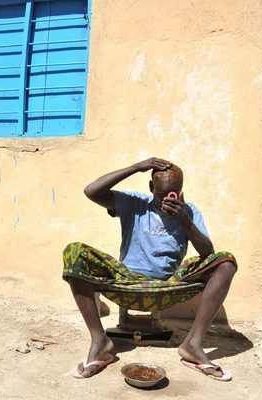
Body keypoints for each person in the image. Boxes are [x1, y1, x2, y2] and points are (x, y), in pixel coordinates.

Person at [62, 157, 237, 381]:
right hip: (125, 283)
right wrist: (136, 168)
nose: (167, 198)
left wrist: (183, 220)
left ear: (181, 191)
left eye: (173, 192)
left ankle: (193, 345)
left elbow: (207, 253)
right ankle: (100, 341)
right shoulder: (134, 204)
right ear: (151, 187)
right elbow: (91, 191)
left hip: (169, 287)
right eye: (162, 193)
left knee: (226, 262)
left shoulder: (189, 211)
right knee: (74, 252)